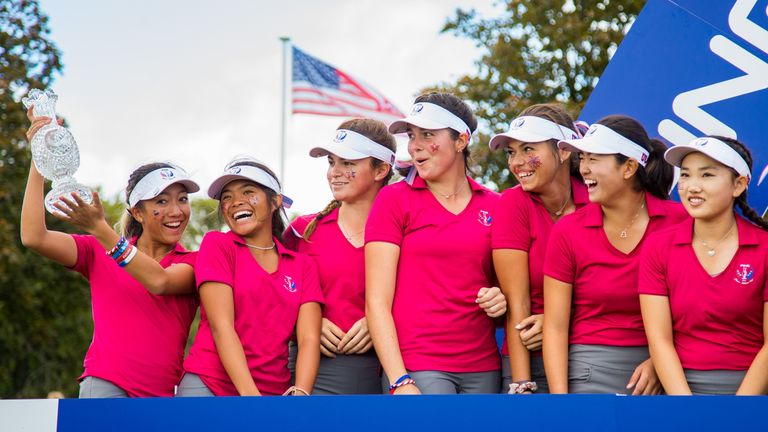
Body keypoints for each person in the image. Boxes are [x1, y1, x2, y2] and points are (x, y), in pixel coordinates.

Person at [22, 104, 200, 398]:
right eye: (161, 201)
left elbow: (159, 281)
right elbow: (33, 236)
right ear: (138, 213)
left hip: (164, 395)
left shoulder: (194, 262)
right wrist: (40, 160)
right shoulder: (96, 250)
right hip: (105, 384)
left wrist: (101, 229)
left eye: (182, 199)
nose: (176, 210)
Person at [366, 92, 507, 395]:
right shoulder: (393, 200)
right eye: (412, 135)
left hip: (484, 367)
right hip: (419, 367)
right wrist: (399, 378)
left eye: (427, 134)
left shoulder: (496, 205)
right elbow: (376, 302)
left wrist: (499, 298)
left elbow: (506, 287)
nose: (414, 145)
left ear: (461, 140)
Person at [542, 115, 687, 394]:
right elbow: (555, 327)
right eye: (582, 158)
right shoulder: (568, 230)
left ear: (629, 166)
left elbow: (698, 310)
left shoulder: (681, 222)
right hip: (587, 370)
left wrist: (661, 361)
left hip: (670, 370)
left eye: (594, 159)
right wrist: (560, 402)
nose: (583, 169)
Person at [179, 157, 323, 396]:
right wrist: (252, 400)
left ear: (275, 201)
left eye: (248, 192)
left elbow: (309, 337)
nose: (236, 202)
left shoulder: (302, 265)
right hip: (210, 386)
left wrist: (302, 392)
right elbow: (222, 326)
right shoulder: (218, 245)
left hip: (276, 393)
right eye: (227, 197)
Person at [639, 136, 768, 395]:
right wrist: (687, 409)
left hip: (752, 393)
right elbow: (659, 340)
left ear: (738, 185)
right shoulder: (658, 247)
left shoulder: (764, 248)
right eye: (685, 175)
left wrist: (741, 410)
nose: (692, 187)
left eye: (707, 175)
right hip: (680, 391)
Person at [283, 119, 396, 394]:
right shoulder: (302, 231)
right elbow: (273, 295)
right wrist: (308, 320)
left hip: (391, 369)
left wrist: (379, 320)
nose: (335, 172)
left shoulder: (405, 231)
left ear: (381, 169)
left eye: (348, 163)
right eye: (332, 162)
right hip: (318, 371)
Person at [488, 104, 587, 394]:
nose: (517, 162)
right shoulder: (512, 204)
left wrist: (556, 321)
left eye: (528, 149)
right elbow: (516, 304)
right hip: (530, 357)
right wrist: (521, 383)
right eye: (511, 152)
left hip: (589, 351)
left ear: (564, 151)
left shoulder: (596, 201)